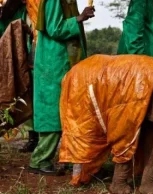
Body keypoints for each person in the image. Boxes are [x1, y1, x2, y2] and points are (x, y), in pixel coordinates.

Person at [28, 0, 95, 176]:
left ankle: (66, 157)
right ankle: (40, 160)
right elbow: (54, 28)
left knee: (67, 112)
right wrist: (79, 18)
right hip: (54, 62)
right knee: (53, 113)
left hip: (61, 62)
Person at [0, 0, 39, 153]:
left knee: (32, 96)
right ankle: (32, 138)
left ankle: (37, 138)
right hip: (15, 57)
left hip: (33, 56)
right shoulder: (13, 12)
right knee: (21, 95)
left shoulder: (32, 8)